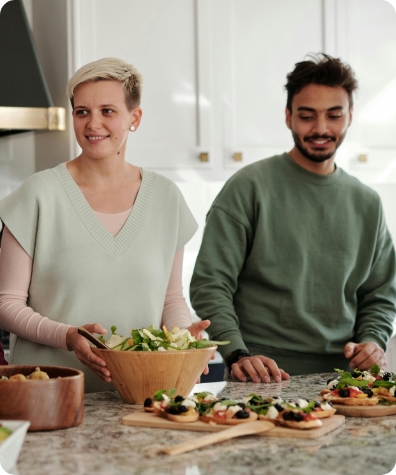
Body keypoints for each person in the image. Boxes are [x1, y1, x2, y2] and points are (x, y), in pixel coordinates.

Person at [0, 57, 209, 391]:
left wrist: (186, 340)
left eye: (107, 111)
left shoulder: (166, 198)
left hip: (142, 394)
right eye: (82, 112)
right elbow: (5, 303)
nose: (93, 124)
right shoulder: (37, 196)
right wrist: (68, 336)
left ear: (134, 118)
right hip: (50, 394)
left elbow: (170, 300)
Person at [190, 53, 396, 383]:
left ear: (350, 117)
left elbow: (381, 294)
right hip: (261, 376)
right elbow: (209, 284)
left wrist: (372, 341)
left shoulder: (368, 203)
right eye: (306, 116)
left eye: (334, 115)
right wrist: (238, 353)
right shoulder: (248, 187)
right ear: (288, 117)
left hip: (345, 381)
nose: (321, 128)